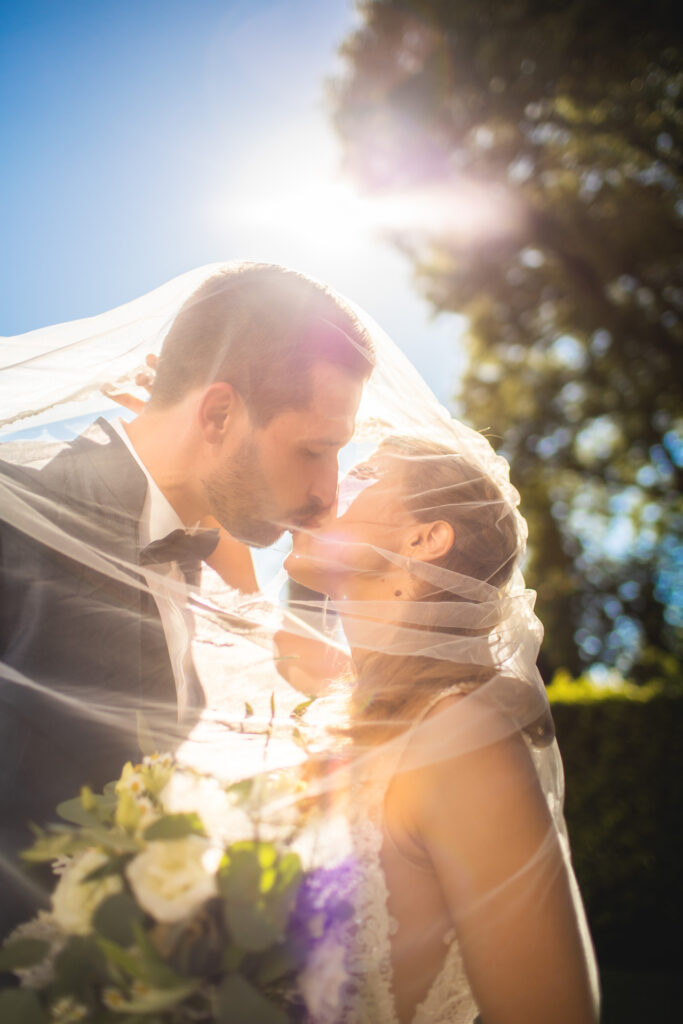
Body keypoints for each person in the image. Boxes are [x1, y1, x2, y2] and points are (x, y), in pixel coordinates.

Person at [0, 263, 374, 938]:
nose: (331, 493)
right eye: (317, 450)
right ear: (220, 413)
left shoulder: (206, 561)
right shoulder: (14, 517)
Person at [283, 437, 600, 1024]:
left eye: (365, 473)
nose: (324, 489)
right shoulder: (331, 727)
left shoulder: (462, 734)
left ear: (426, 538)